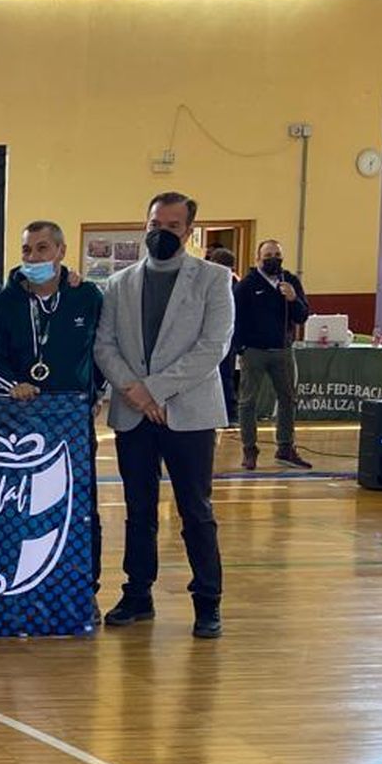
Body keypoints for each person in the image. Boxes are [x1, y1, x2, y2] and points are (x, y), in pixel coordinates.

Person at [94, 192, 233, 640]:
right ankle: (137, 594)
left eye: (173, 226)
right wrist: (134, 392)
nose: (162, 232)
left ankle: (207, 601)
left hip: (189, 412)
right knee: (138, 509)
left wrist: (152, 389)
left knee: (196, 510)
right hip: (133, 414)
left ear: (189, 231)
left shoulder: (213, 279)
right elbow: (104, 345)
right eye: (156, 223)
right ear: (145, 224)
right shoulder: (119, 283)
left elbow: (213, 347)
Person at [0, 221, 105, 615]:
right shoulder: (3, 303)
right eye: (27, 250)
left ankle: (86, 590)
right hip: (20, 419)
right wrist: (11, 384)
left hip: (71, 419)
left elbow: (103, 349)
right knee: (21, 506)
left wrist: (96, 392)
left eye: (42, 248)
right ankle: (23, 589)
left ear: (62, 251)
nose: (33, 257)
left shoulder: (86, 296)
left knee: (80, 505)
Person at [235, 238, 312, 470]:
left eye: (277, 255)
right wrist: (241, 348)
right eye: (267, 255)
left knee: (288, 399)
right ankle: (249, 449)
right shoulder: (247, 285)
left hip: (283, 351)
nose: (273, 259)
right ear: (258, 259)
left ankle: (285, 447)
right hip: (254, 352)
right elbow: (235, 319)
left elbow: (302, 315)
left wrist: (293, 299)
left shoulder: (290, 281)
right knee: (248, 402)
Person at [205, 247, 239, 421]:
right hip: (210, 337)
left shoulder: (234, 285)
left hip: (228, 338)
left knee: (225, 375)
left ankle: (229, 414)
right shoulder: (208, 284)